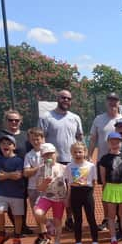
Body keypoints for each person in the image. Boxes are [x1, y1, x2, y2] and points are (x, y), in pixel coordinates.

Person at [39, 89, 83, 231]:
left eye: (68, 98)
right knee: (52, 190)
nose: (66, 100)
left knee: (72, 191)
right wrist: (46, 159)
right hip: (53, 163)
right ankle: (52, 222)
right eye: (63, 98)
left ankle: (70, 219)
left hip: (72, 162)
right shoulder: (46, 117)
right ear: (58, 99)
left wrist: (83, 158)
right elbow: (41, 138)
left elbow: (79, 138)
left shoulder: (75, 118)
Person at [99, 132, 122, 244]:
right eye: (112, 142)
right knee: (111, 216)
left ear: (121, 143)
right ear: (108, 143)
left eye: (117, 142)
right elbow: (103, 177)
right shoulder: (104, 159)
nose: (115, 144)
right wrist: (105, 187)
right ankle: (113, 240)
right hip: (110, 188)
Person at [32, 143, 68, 244]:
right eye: (45, 155)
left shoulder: (64, 168)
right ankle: (48, 224)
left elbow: (69, 184)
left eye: (50, 154)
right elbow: (39, 188)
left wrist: (67, 198)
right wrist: (45, 182)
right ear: (42, 157)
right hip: (46, 197)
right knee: (37, 212)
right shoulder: (41, 169)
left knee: (58, 222)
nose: (48, 157)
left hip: (60, 198)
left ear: (56, 154)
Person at [65, 142, 99, 244]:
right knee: (77, 220)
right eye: (75, 152)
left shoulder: (91, 166)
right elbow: (68, 183)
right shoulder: (69, 167)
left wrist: (88, 191)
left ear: (85, 152)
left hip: (87, 194)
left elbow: (94, 182)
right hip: (75, 194)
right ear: (71, 153)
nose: (78, 154)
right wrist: (67, 198)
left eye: (80, 151)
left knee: (91, 219)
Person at [0, 135, 26, 244]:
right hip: (2, 193)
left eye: (8, 143)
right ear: (0, 146)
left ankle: (17, 238)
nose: (5, 145)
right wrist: (10, 175)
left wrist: (5, 174)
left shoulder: (19, 160)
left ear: (14, 146)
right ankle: (2, 235)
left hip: (17, 193)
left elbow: (18, 176)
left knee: (17, 216)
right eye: (3, 143)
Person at [23, 127, 46, 244]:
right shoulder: (29, 155)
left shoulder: (48, 152)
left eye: (38, 139)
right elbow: (26, 173)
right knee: (36, 212)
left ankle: (46, 232)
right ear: (30, 141)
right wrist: (38, 168)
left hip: (47, 187)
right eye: (33, 140)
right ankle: (43, 235)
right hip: (32, 188)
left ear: (43, 139)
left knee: (41, 212)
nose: (36, 141)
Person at [88, 92, 122, 163]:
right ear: (106, 102)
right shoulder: (98, 119)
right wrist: (89, 156)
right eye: (110, 100)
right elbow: (93, 140)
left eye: (115, 100)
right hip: (102, 161)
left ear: (119, 102)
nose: (112, 102)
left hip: (119, 161)